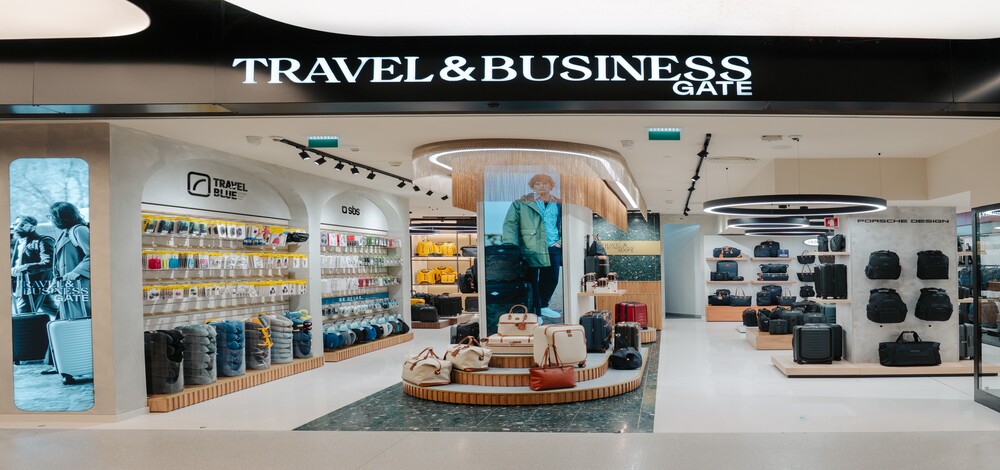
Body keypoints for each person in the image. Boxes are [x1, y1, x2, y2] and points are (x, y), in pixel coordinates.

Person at [502, 173, 562, 319]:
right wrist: (510, 245)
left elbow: (562, 223)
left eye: (545, 183)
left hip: (552, 245)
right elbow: (511, 223)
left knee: (552, 277)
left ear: (551, 186)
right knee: (532, 280)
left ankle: (543, 305)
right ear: (532, 186)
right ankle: (536, 312)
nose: (541, 186)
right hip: (530, 245)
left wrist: (560, 241)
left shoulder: (558, 203)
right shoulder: (521, 203)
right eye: (537, 183)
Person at [49, 202, 91, 321]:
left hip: (80, 284)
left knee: (80, 318)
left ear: (61, 216)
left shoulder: (79, 230)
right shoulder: (65, 232)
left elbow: (93, 255)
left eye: (51, 216)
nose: (51, 219)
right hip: (69, 285)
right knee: (68, 319)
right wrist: (55, 279)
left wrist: (76, 272)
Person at [10, 216, 58, 315]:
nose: (16, 227)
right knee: (53, 310)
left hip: (33, 285)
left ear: (33, 227)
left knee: (24, 314)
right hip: (27, 284)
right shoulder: (20, 242)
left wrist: (25, 267)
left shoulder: (43, 240)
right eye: (15, 224)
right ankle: (67, 321)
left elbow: (49, 263)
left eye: (22, 225)